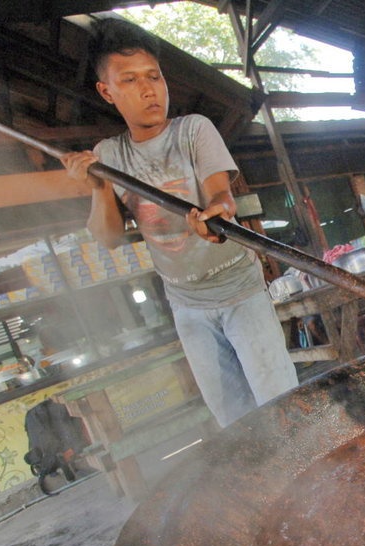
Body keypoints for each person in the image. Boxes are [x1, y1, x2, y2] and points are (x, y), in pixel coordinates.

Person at [61, 19, 299, 428]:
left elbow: (221, 195)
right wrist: (98, 188)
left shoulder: (193, 130)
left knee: (281, 403)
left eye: (154, 76)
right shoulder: (110, 156)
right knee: (234, 420)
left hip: (240, 290)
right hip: (187, 307)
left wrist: (217, 217)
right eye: (130, 80)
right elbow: (109, 238)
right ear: (107, 91)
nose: (148, 89)